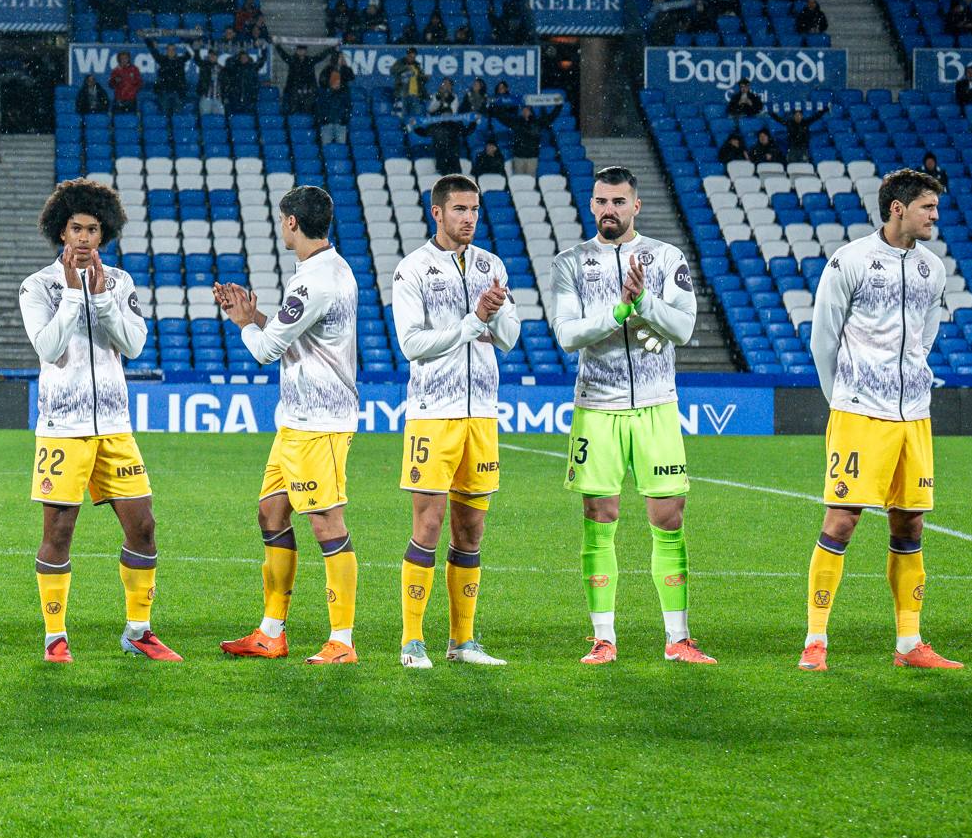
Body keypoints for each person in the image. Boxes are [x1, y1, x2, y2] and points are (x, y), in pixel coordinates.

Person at [549, 167, 712, 664]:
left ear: (636, 206)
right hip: (596, 406)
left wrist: (644, 300)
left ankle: (678, 638)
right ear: (591, 204)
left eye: (618, 201)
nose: (608, 210)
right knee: (599, 516)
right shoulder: (570, 263)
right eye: (601, 201)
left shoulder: (667, 258)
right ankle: (604, 638)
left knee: (669, 515)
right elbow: (568, 334)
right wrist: (620, 312)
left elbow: (683, 327)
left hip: (657, 404)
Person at [802, 170, 960, 671]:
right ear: (897, 207)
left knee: (910, 522)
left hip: (914, 415)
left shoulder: (933, 269)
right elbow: (823, 340)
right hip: (858, 414)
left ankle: (909, 645)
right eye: (927, 207)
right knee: (842, 519)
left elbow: (925, 338)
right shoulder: (849, 261)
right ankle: (816, 640)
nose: (935, 216)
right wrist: (842, 401)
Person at [19, 180, 175, 664]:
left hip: (114, 427)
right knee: (59, 533)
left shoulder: (121, 282)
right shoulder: (37, 285)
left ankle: (138, 630)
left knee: (143, 526)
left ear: (103, 235)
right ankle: (54, 637)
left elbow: (132, 346)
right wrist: (72, 295)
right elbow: (47, 348)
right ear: (60, 232)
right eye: (75, 229)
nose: (84, 238)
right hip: (62, 428)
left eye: (92, 230)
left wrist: (103, 298)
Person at [214, 185, 362, 664]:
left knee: (326, 523)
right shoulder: (325, 271)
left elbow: (264, 350)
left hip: (318, 422)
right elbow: (293, 335)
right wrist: (251, 313)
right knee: (272, 514)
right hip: (296, 421)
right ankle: (271, 632)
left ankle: (342, 640)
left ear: (292, 222)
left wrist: (243, 325)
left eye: (282, 220)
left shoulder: (313, 280)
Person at [389, 175, 522, 669]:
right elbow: (411, 344)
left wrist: (494, 312)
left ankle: (462, 642)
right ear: (437, 212)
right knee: (428, 524)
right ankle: (411, 640)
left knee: (471, 532)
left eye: (474, 210)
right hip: (433, 416)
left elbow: (509, 336)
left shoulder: (491, 265)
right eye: (460, 209)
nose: (469, 218)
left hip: (482, 415)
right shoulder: (413, 270)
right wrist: (472, 321)